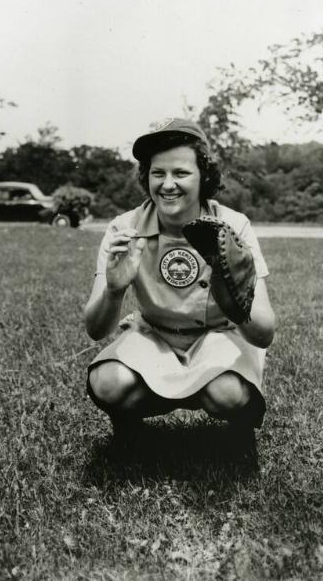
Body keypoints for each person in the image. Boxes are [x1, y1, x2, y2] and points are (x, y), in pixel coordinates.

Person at [83, 118, 276, 448]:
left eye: (181, 173)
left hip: (218, 334)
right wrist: (114, 291)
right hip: (155, 334)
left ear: (204, 176)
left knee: (227, 394)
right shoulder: (124, 228)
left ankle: (237, 431)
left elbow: (264, 333)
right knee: (107, 382)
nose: (167, 184)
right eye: (158, 173)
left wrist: (235, 300)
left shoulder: (232, 225)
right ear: (146, 176)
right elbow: (96, 329)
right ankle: (130, 430)